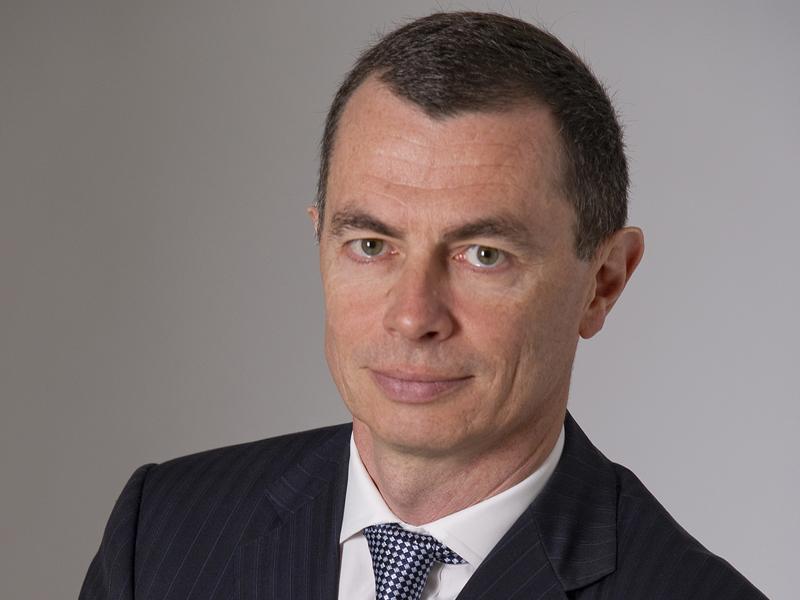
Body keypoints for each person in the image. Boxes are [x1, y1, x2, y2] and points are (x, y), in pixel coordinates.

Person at [80, 12, 766, 600]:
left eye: (484, 254)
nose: (413, 317)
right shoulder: (160, 533)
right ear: (320, 242)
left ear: (604, 282)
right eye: (371, 245)